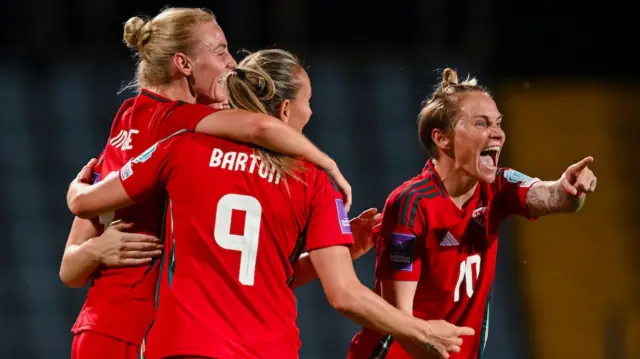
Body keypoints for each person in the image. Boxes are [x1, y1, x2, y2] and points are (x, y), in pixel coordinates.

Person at [66, 49, 475, 359]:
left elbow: (89, 202)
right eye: (308, 101)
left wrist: (76, 198)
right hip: (266, 348)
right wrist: (418, 330)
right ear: (284, 110)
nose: (311, 111)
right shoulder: (313, 180)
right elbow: (345, 295)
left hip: (183, 344)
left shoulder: (179, 149)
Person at [59, 7, 353, 359]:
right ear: (183, 64)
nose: (232, 62)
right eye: (220, 50)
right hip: (139, 332)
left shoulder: (129, 119)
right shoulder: (181, 127)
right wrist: (327, 164)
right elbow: (261, 127)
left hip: (103, 324)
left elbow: (70, 266)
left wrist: (85, 224)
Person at [347, 68, 598, 359]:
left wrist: (570, 190)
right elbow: (398, 320)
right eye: (481, 123)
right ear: (442, 139)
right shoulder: (411, 204)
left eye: (498, 123)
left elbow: (552, 196)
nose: (498, 133)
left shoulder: (497, 186)